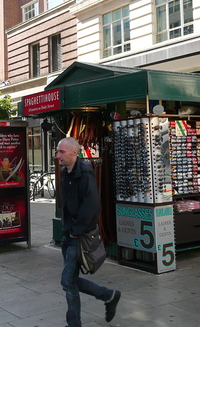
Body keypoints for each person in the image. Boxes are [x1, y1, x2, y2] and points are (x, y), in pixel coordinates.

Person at [56, 137, 121, 327]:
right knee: (71, 279)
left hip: (79, 235)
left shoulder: (84, 174)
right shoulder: (65, 172)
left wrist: (76, 231)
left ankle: (74, 325)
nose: (58, 155)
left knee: (67, 281)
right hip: (68, 233)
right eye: (58, 151)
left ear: (74, 153)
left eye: (62, 152)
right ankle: (109, 295)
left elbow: (93, 205)